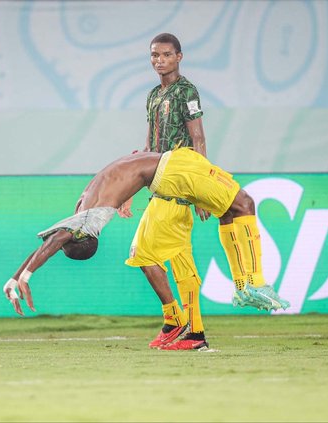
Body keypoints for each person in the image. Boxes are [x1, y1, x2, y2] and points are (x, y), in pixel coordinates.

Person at [3, 148, 290, 335]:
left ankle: (246, 285)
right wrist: (20, 277)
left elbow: (53, 242)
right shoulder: (86, 210)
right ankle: (248, 284)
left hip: (172, 169)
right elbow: (53, 242)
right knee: (241, 205)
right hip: (172, 169)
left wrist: (21, 277)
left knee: (237, 207)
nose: (61, 239)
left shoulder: (88, 220)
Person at [119, 33, 210, 351]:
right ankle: (194, 333)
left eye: (166, 55)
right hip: (158, 186)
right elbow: (148, 147)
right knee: (183, 262)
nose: (159, 60)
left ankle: (174, 321)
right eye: (154, 55)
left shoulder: (187, 91)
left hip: (178, 183)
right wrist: (131, 186)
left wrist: (201, 188)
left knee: (141, 253)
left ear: (179, 57)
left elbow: (198, 138)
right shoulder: (153, 95)